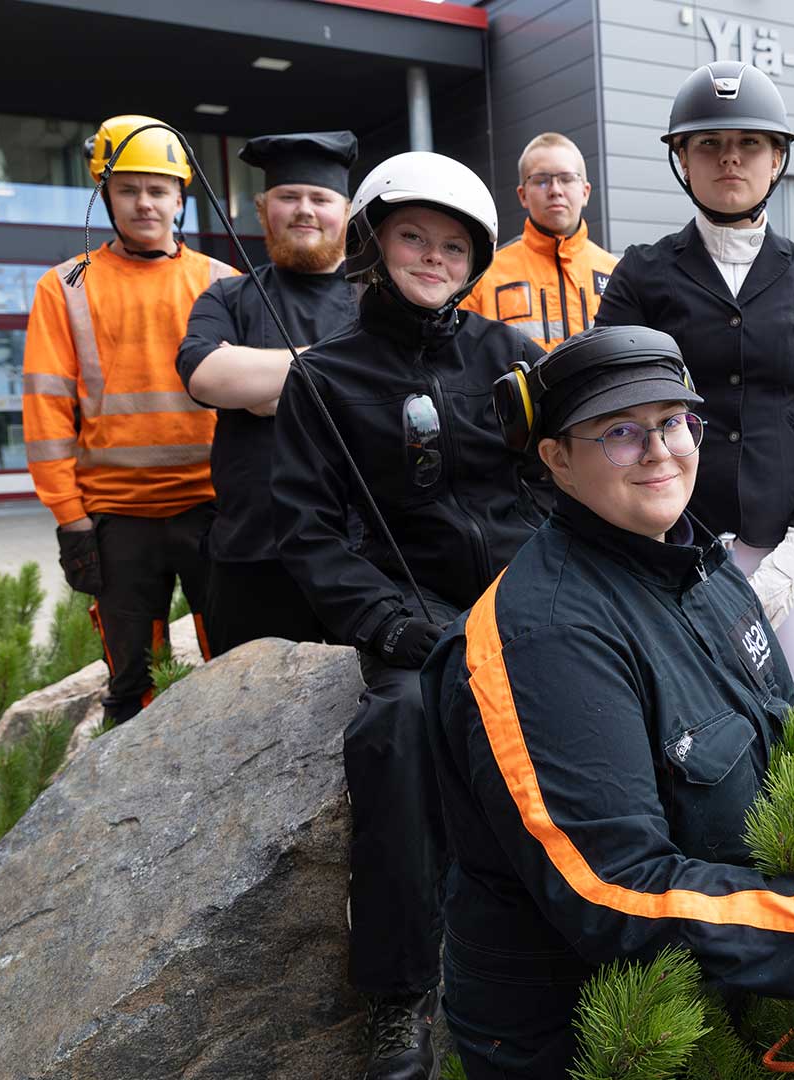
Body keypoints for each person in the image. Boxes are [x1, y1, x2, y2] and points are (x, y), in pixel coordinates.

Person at [424, 325, 794, 1079]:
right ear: (555, 458)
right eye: (620, 433)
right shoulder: (548, 639)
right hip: (585, 1039)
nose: (660, 451)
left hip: (736, 981)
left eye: (674, 423)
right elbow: (613, 890)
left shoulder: (701, 568)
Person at [270, 149, 546, 1080]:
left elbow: (571, 473)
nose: (433, 257)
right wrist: (396, 626)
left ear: (475, 261)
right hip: (413, 612)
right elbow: (308, 534)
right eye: (413, 237)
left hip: (531, 599)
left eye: (454, 246)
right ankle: (400, 996)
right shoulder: (324, 375)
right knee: (396, 727)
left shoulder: (513, 359)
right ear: (373, 242)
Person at [595, 61, 794, 718]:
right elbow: (608, 404)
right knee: (684, 724)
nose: (729, 159)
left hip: (791, 550)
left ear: (776, 158)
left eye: (748, 144)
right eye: (709, 145)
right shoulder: (641, 274)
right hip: (673, 540)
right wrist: (648, 531)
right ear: (682, 159)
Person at [22, 113, 234, 725]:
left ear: (180, 197)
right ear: (104, 194)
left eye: (158, 189)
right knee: (131, 689)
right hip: (115, 519)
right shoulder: (64, 286)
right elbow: (46, 409)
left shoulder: (223, 283)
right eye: (128, 188)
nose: (144, 202)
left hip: (213, 509)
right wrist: (70, 519)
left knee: (235, 670)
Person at [178, 131, 359, 654]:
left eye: (320, 199)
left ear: (345, 212)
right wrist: (334, 376)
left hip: (360, 553)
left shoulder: (376, 298)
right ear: (263, 210)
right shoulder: (228, 296)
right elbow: (204, 376)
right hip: (251, 554)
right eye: (288, 197)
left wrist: (262, 386)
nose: (304, 210)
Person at [459, 132, 618, 350]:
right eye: (541, 180)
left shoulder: (616, 273)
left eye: (567, 178)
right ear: (523, 195)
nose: (555, 190)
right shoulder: (485, 275)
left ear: (585, 191)